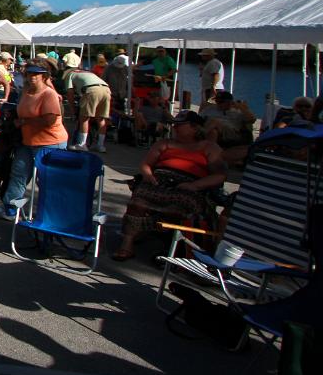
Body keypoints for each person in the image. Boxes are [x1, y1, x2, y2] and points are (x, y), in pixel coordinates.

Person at [112, 110, 225, 261]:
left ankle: (175, 242)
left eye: (180, 125)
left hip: (189, 185)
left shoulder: (208, 147)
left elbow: (220, 175)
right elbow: (146, 164)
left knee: (186, 203)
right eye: (174, 125)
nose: (175, 128)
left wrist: (196, 185)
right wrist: (149, 176)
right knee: (139, 199)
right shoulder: (165, 143)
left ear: (195, 127)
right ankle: (127, 244)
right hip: (159, 182)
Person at [0, 62, 68, 220]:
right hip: (28, 141)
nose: (32, 77)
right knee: (18, 173)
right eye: (29, 74)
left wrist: (25, 122)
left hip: (50, 142)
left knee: (47, 180)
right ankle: (10, 209)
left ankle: (52, 213)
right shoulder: (26, 91)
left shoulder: (48, 94)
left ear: (44, 76)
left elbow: (50, 120)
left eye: (36, 74)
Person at [62, 59, 113, 153]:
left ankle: (82, 144)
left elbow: (70, 94)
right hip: (106, 89)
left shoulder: (70, 75)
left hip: (91, 90)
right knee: (101, 118)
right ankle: (101, 145)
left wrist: (73, 110)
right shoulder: (87, 72)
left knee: (84, 118)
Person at [200, 90, 257, 165]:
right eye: (217, 101)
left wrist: (241, 107)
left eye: (221, 102)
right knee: (213, 132)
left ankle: (200, 135)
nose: (218, 104)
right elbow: (199, 119)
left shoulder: (237, 112)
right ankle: (208, 157)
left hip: (232, 133)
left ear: (229, 102)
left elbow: (252, 119)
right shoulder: (210, 109)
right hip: (214, 130)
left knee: (214, 121)